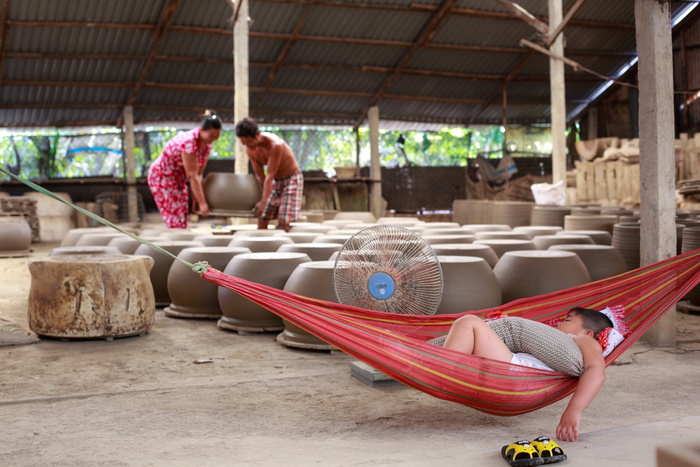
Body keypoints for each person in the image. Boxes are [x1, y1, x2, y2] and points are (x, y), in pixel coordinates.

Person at [441, 307, 622, 442]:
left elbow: (596, 371)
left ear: (588, 333)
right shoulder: (549, 344)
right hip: (508, 368)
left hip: (513, 372)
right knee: (467, 335)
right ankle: (436, 363)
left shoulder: (584, 340)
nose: (558, 323)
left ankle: (440, 369)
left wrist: (574, 410)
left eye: (567, 320)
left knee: (468, 322)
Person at [147, 110, 222, 228]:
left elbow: (199, 174)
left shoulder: (207, 145)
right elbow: (193, 176)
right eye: (211, 135)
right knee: (174, 216)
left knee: (182, 214)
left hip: (178, 180)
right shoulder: (189, 142)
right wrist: (203, 203)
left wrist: (197, 198)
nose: (213, 139)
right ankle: (173, 242)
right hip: (162, 178)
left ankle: (177, 237)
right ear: (202, 130)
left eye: (216, 136)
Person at [235, 117, 303, 232]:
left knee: (284, 219)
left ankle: (284, 242)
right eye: (244, 143)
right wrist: (262, 201)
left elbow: (269, 176)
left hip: (291, 178)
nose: (248, 145)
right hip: (275, 181)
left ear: (257, 134)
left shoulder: (275, 145)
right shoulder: (250, 150)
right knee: (263, 217)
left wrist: (264, 202)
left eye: (250, 141)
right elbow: (261, 176)